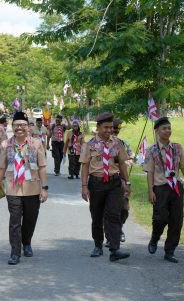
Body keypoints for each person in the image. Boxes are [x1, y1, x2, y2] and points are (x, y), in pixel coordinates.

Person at [0, 111, 48, 265]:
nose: (19, 128)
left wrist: (45, 188)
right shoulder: (6, 145)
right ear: (12, 127)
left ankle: (27, 242)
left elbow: (42, 167)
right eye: (16, 125)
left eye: (22, 125)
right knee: (15, 220)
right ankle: (15, 252)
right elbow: (1, 169)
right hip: (13, 187)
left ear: (28, 127)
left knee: (30, 218)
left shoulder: (36, 144)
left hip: (32, 187)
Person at [143, 117, 184, 263]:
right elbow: (150, 172)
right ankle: (155, 238)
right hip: (160, 188)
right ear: (157, 131)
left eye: (169, 128)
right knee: (160, 218)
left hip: (176, 188)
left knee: (176, 220)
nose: (168, 131)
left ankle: (170, 250)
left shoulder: (177, 148)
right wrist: (150, 191)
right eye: (164, 128)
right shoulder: (151, 150)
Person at [79, 112, 131, 262]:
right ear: (98, 127)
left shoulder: (118, 143)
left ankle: (115, 249)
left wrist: (127, 182)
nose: (109, 130)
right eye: (106, 128)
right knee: (96, 216)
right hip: (96, 183)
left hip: (114, 183)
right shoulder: (88, 145)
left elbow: (122, 164)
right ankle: (98, 245)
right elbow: (85, 166)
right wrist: (84, 186)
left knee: (113, 215)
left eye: (111, 128)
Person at [107, 118, 134, 245]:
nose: (115, 131)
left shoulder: (123, 143)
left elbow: (130, 157)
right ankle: (111, 235)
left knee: (124, 208)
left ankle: (119, 229)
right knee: (108, 209)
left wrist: (129, 161)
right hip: (106, 179)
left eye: (117, 129)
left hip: (121, 180)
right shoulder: (100, 143)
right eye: (113, 128)